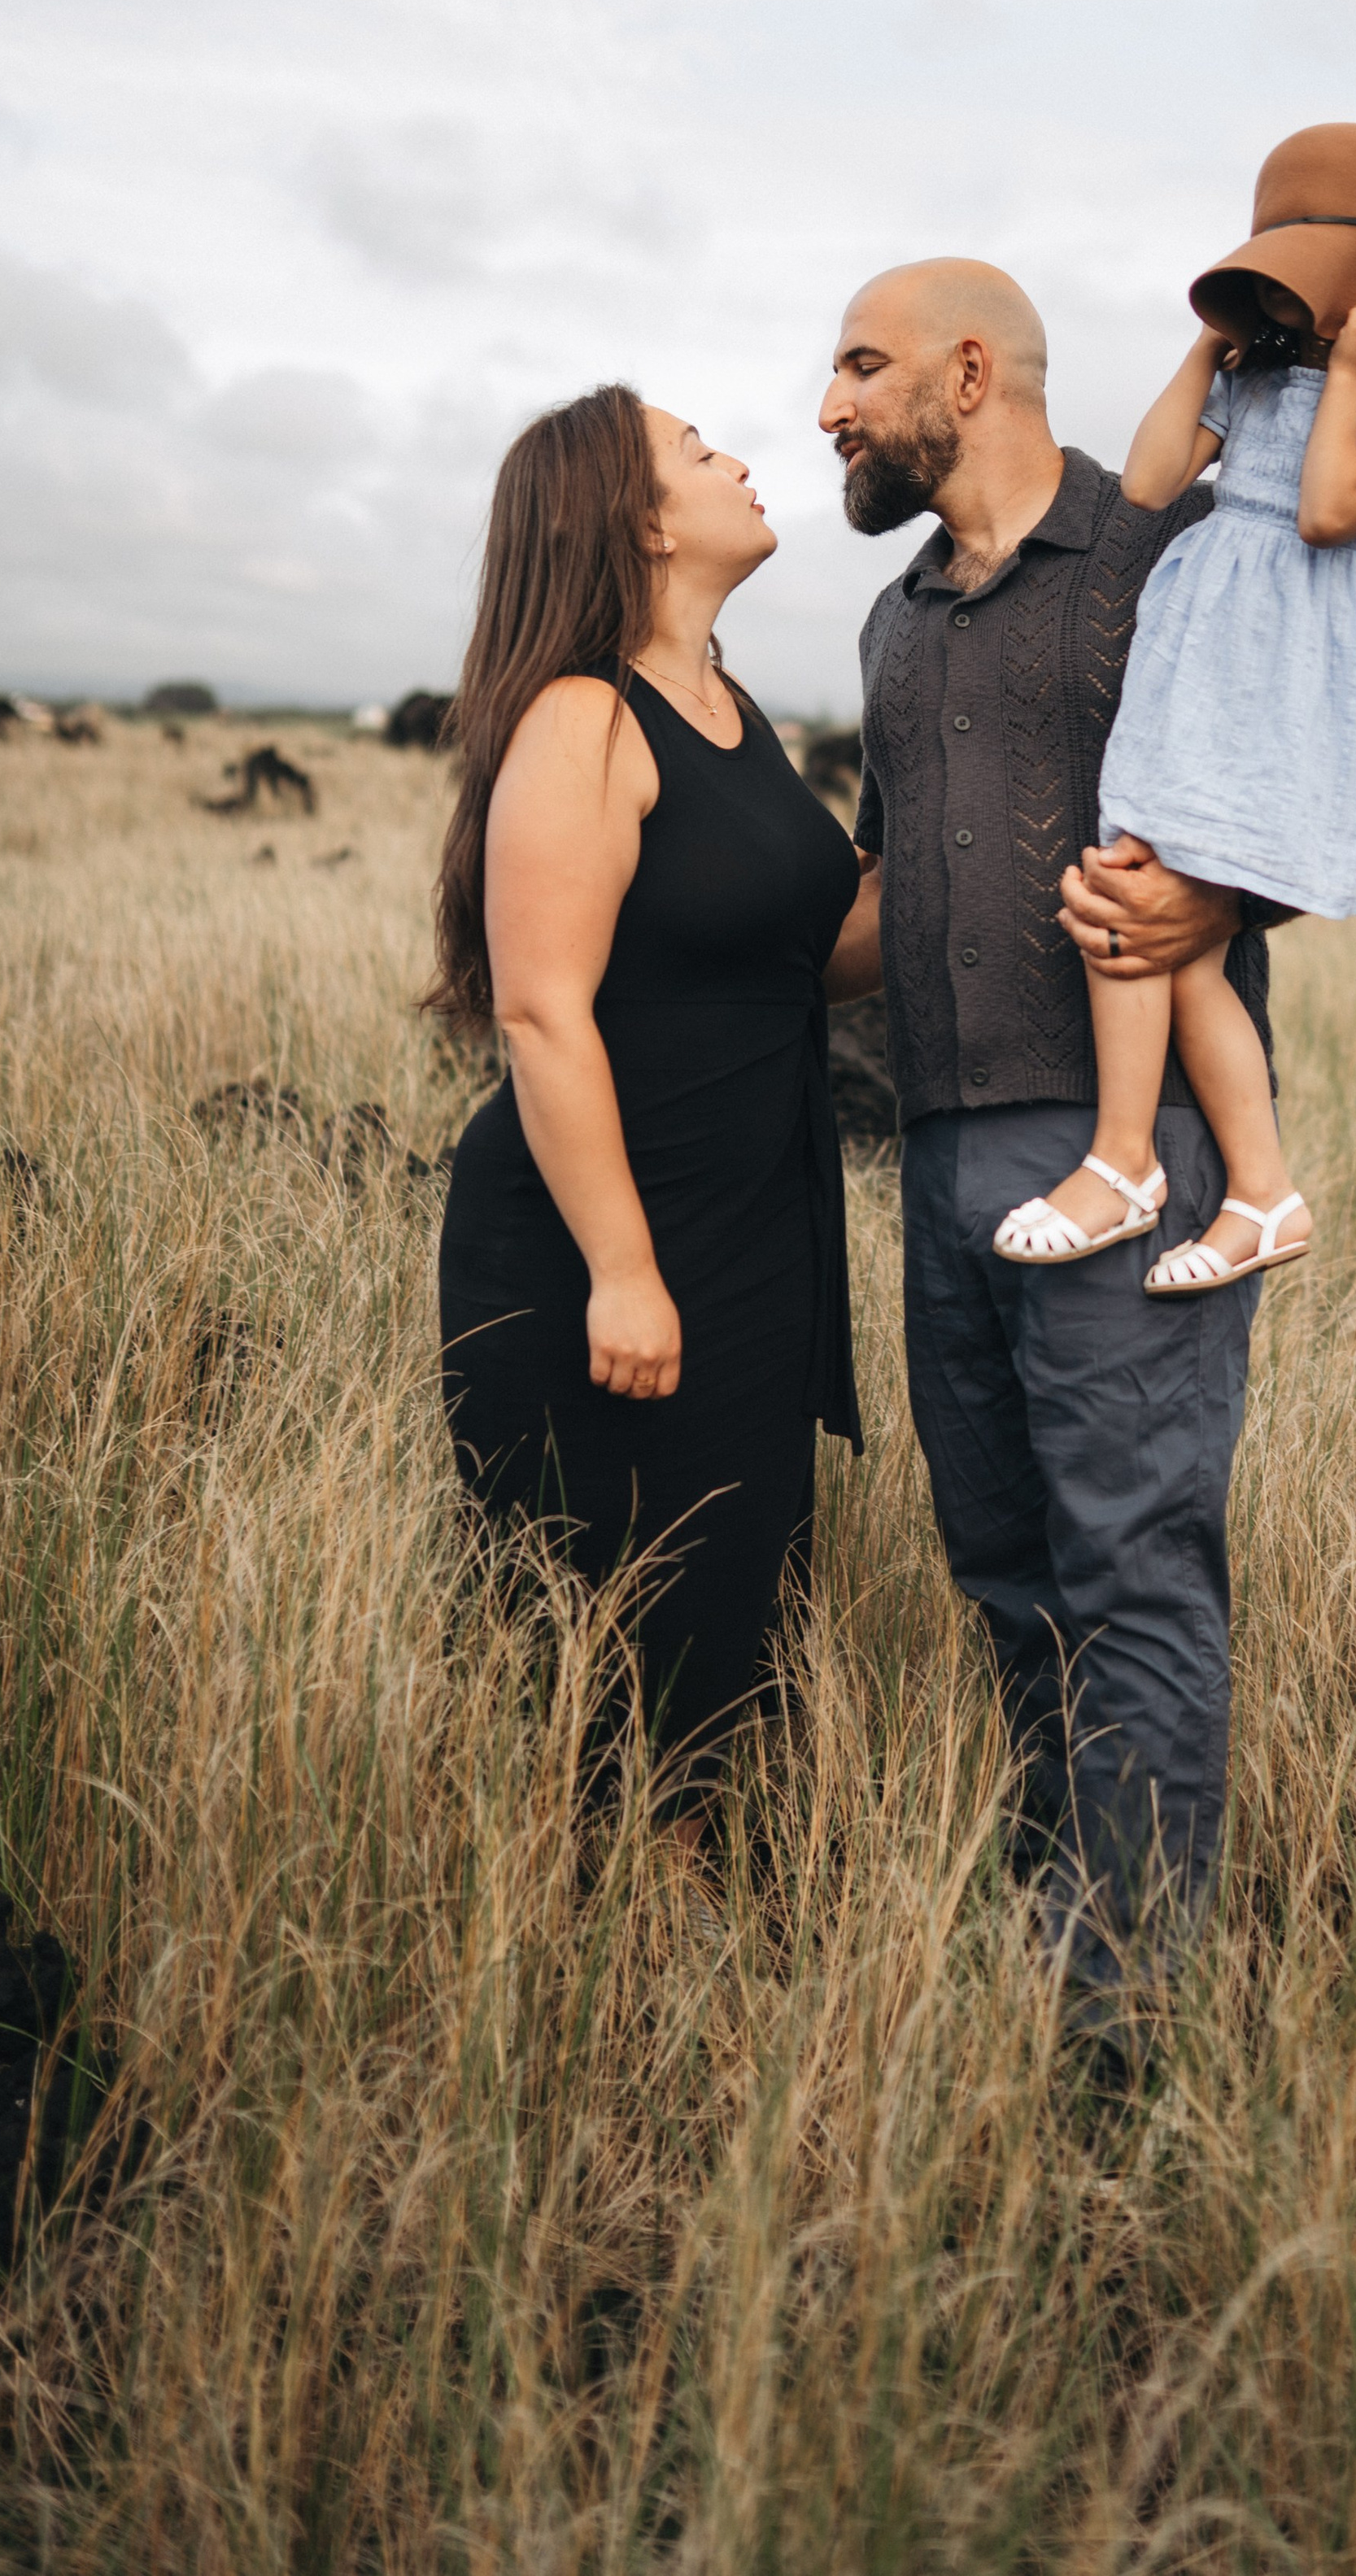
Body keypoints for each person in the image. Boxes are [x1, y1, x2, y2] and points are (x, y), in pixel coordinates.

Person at [820, 259, 1275, 2036]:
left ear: (967, 369)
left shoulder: (1161, 552)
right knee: (1002, 1568)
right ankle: (1053, 1923)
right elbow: (877, 891)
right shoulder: (894, 621)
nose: (830, 406)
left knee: (1129, 1564)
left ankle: (1131, 2018)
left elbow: (1291, 782)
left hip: (1127, 1149)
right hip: (936, 1160)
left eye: (857, 365)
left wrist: (1214, 894)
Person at [429, 383, 881, 1809]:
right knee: (610, 1651)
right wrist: (622, 1271)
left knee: (728, 1633)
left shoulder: (727, 711)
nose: (742, 460)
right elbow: (540, 1008)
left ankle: (682, 1953)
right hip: (601, 1247)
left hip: (749, 1235)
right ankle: (581, 1964)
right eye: (698, 451)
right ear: (636, 519)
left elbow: (800, 965)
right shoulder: (582, 719)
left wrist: (987, 845)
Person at [992, 123, 1356, 1293]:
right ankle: (1246, 1187)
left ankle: (1137, 1164)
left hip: (1296, 696)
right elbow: (1145, 482)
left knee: (1144, 891)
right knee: (1142, 893)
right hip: (1205, 670)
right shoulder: (1253, 378)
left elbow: (1328, 511)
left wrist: (1345, 380)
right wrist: (1211, 342)